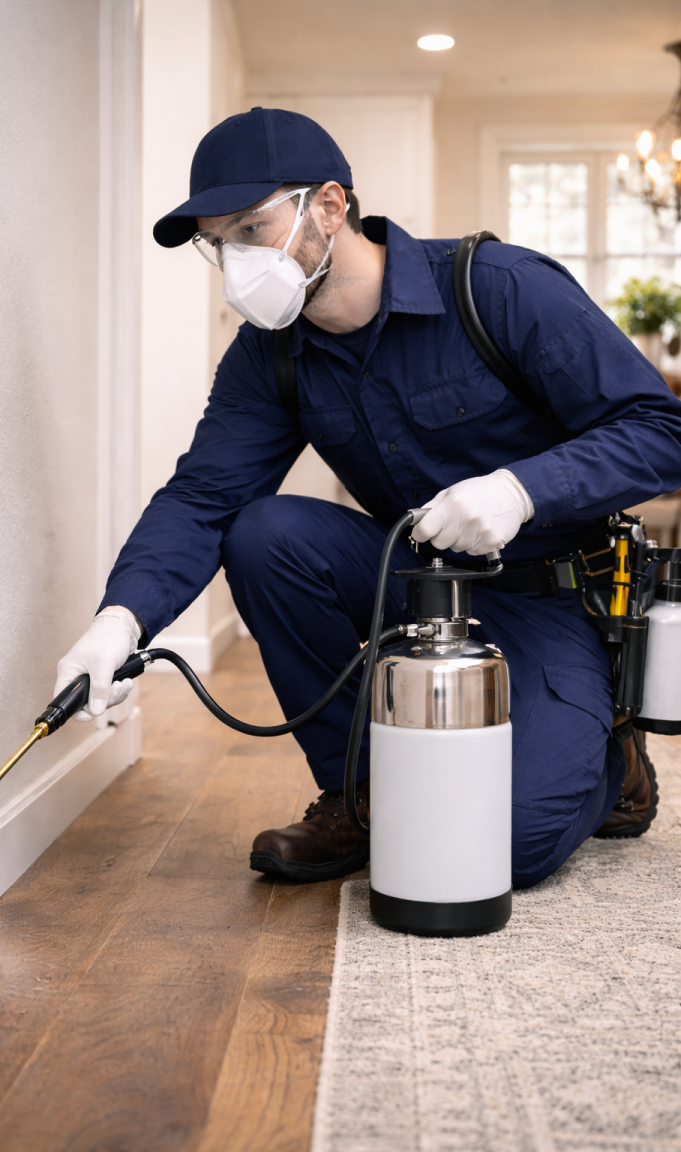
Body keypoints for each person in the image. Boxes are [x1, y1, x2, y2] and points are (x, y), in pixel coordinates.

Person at [56, 107, 681, 888]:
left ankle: (612, 755)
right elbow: (204, 497)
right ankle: (361, 792)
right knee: (263, 532)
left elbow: (660, 429)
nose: (236, 263)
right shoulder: (268, 359)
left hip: (550, 598)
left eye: (251, 229)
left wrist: (524, 489)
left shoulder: (499, 289)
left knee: (498, 849)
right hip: (418, 586)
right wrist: (118, 622)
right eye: (219, 245)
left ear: (328, 206)